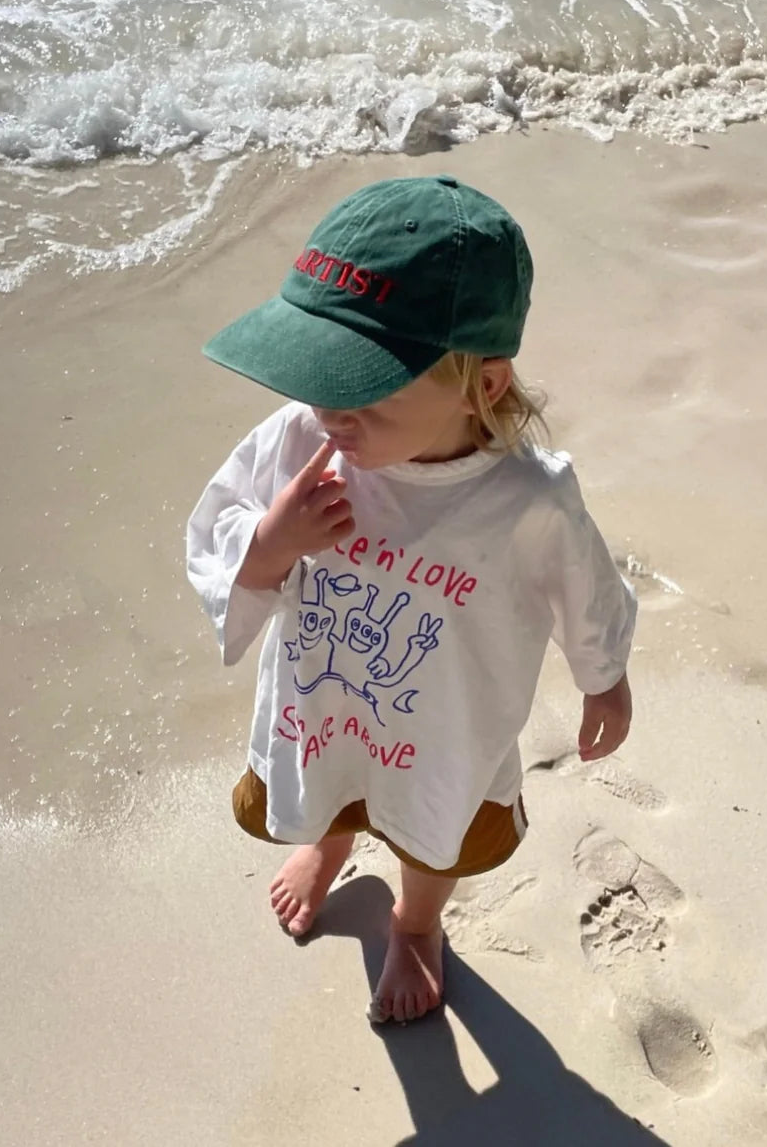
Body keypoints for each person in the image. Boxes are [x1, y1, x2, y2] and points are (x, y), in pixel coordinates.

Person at [186, 175, 636, 1025]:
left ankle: (418, 922)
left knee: (436, 826)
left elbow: (588, 584)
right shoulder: (304, 440)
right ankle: (331, 842)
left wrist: (601, 674)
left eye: (360, 384)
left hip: (444, 725)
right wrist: (270, 546)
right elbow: (216, 531)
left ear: (484, 384)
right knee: (334, 782)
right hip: (324, 700)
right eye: (317, 371)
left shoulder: (526, 499)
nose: (326, 406)